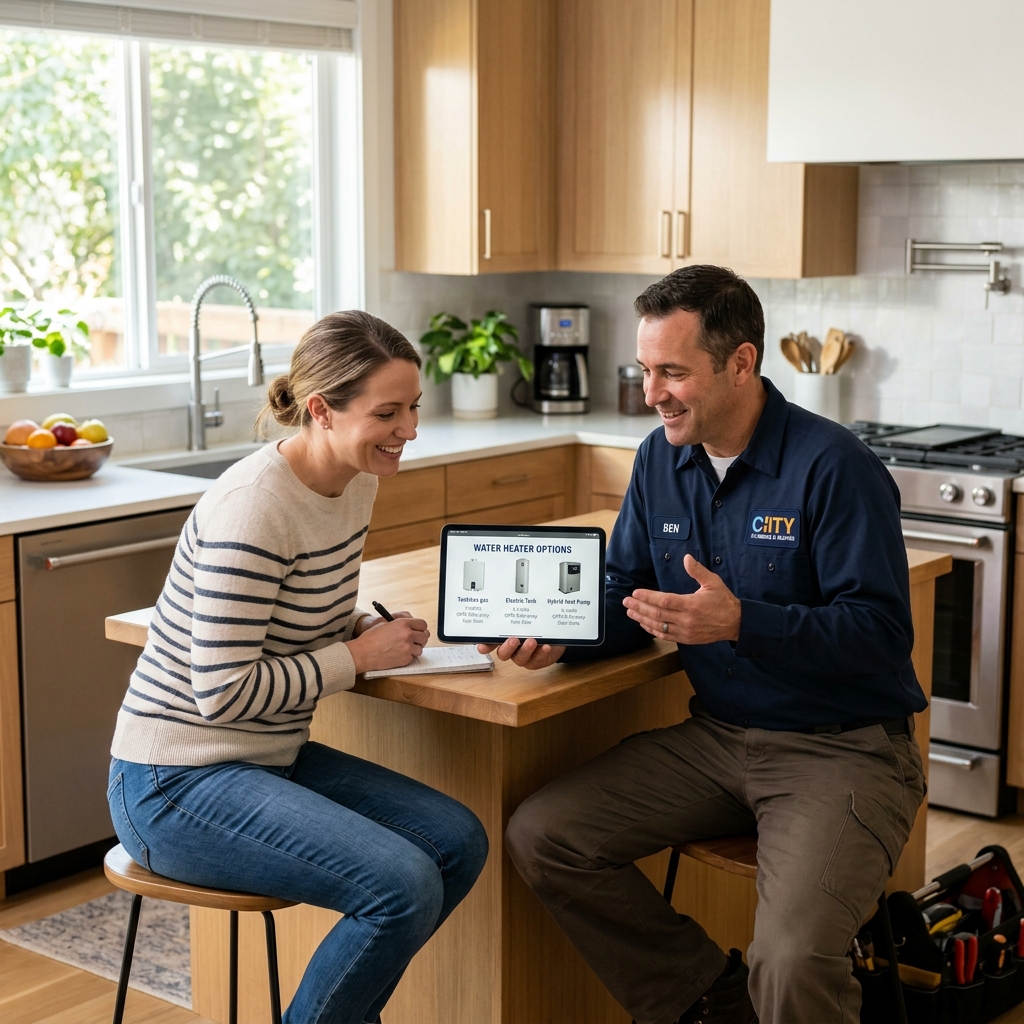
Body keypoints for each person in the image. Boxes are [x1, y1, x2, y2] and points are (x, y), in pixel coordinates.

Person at [488, 267, 925, 1024]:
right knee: (544, 835)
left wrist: (741, 622)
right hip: (717, 740)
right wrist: (562, 638)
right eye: (646, 369)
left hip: (845, 750)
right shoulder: (660, 457)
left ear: (742, 364)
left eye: (673, 372)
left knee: (789, 963)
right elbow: (628, 592)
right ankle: (708, 1000)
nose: (652, 392)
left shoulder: (836, 467)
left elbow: (882, 635)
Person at [108, 311, 488, 1024]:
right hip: (172, 782)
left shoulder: (355, 480)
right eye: (388, 412)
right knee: (400, 884)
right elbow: (221, 692)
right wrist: (354, 658)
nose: (409, 429)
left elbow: (299, 611)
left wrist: (366, 628)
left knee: (456, 843)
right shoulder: (255, 507)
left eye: (412, 408)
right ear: (321, 409)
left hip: (263, 759)